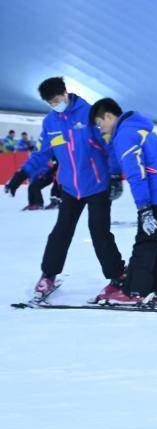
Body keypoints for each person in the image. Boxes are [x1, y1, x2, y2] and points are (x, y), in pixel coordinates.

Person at [4, 77, 125, 300]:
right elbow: (42, 154)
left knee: (99, 232)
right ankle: (48, 275)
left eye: (57, 100)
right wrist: (21, 174)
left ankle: (118, 276)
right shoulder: (50, 123)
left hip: (97, 184)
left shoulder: (89, 113)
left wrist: (116, 175)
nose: (54, 105)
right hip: (70, 187)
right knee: (60, 232)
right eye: (50, 103)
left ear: (66, 93)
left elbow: (110, 145)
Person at [90, 98, 157, 304]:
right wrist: (116, 175)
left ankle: (136, 291)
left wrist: (144, 208)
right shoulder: (131, 129)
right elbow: (120, 159)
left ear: (109, 116)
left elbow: (136, 172)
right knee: (155, 243)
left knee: (145, 244)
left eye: (100, 123)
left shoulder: (126, 134)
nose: (100, 129)